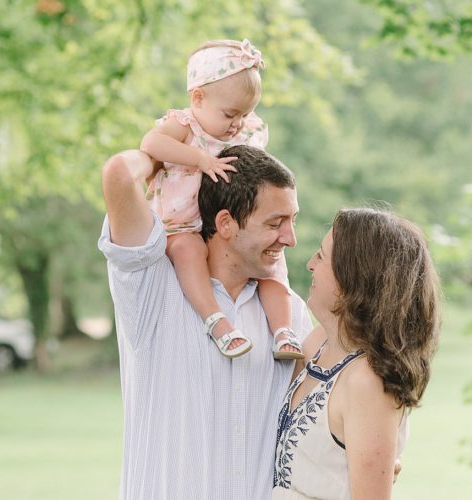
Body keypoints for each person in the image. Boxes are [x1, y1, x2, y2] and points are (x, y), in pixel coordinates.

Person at [98, 144, 312, 500]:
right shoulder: (152, 290)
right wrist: (174, 156)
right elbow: (119, 173)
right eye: (275, 223)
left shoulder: (289, 316)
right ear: (226, 223)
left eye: (292, 221)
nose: (290, 238)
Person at [139, 38, 302, 360]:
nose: (237, 124)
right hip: (182, 222)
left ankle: (284, 331)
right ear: (198, 98)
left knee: (271, 266)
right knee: (188, 251)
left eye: (245, 114)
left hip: (224, 219)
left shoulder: (243, 130)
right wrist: (200, 159)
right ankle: (217, 321)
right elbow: (151, 143)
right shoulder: (186, 126)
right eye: (230, 114)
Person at [273, 208, 442, 499]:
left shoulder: (367, 383)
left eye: (322, 256)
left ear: (354, 276)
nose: (311, 264)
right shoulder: (319, 343)